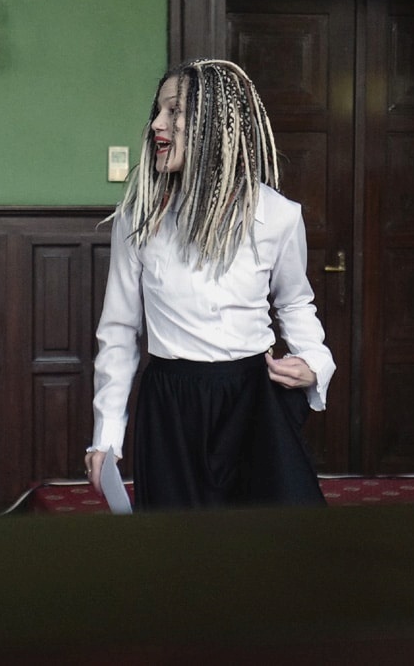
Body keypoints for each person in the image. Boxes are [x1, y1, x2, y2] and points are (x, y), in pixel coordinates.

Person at [86, 59, 335, 510]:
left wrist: (315, 361)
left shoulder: (278, 215)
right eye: (157, 111)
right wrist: (107, 435)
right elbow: (119, 332)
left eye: (174, 111)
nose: (156, 124)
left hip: (253, 402)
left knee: (277, 542)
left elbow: (296, 303)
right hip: (170, 407)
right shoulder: (138, 219)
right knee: (180, 547)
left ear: (214, 125)